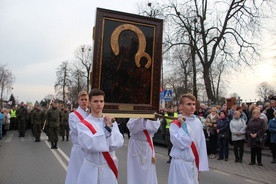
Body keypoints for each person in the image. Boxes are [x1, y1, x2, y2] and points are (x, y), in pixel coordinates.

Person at [76, 89, 124, 184]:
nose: (99, 104)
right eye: (95, 101)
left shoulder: (110, 121)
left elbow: (118, 143)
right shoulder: (82, 125)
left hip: (108, 168)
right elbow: (90, 145)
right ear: (89, 103)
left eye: (101, 101)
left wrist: (108, 128)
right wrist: (107, 129)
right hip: (91, 169)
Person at [168, 93, 209, 184]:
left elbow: (201, 144)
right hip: (180, 164)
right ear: (181, 107)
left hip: (193, 163)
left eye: (194, 104)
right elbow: (180, 143)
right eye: (189, 104)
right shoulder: (175, 124)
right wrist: (183, 126)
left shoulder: (198, 122)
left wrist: (200, 164)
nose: (192, 107)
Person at [126, 118, 160, 184]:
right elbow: (132, 128)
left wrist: (148, 120)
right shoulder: (135, 115)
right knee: (135, 171)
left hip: (147, 145)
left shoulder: (152, 115)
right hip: (136, 146)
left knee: (148, 172)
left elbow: (155, 127)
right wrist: (143, 120)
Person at [65, 91, 89, 184]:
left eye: (86, 100)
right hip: (79, 149)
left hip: (89, 149)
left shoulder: (90, 114)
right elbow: (77, 130)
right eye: (82, 100)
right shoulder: (73, 115)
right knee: (77, 174)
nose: (84, 102)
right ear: (78, 101)